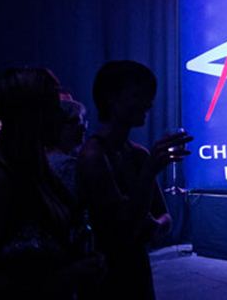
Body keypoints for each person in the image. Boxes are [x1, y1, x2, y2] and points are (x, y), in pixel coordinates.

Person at [0, 67, 104, 299]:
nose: (60, 114)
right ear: (31, 113)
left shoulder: (37, 168)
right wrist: (66, 276)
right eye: (53, 106)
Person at [77, 60, 191, 300]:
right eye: (138, 95)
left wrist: (157, 225)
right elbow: (120, 230)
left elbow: (164, 215)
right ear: (111, 98)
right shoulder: (94, 156)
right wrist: (149, 173)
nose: (148, 103)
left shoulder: (139, 154)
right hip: (107, 276)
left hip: (137, 269)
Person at [46, 99, 88, 203]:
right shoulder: (67, 165)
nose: (83, 128)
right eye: (77, 121)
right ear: (59, 125)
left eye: (83, 121)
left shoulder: (45, 158)